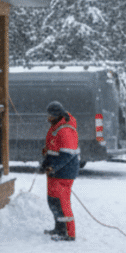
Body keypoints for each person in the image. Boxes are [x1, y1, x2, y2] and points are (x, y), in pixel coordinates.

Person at [39, 101, 79, 241]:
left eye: (50, 115)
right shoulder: (56, 127)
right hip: (55, 173)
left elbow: (67, 155)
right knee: (53, 201)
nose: (48, 118)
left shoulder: (65, 130)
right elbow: (52, 151)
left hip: (64, 173)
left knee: (62, 203)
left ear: (57, 115)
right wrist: (45, 164)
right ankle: (59, 228)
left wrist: (53, 167)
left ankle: (68, 233)